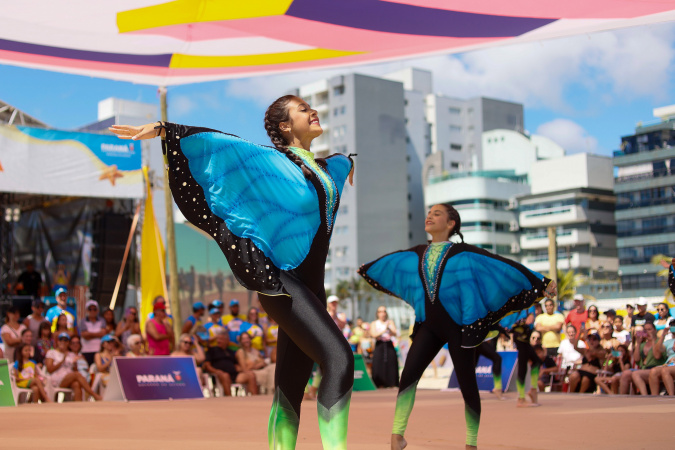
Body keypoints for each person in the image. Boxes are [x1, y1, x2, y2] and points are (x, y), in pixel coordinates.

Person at [111, 94, 356, 450]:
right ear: (285, 126)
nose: (313, 111)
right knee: (339, 360)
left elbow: (339, 163)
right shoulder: (271, 162)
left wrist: (349, 163)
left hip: (312, 291)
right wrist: (166, 131)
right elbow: (222, 143)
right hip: (282, 284)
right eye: (304, 109)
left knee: (289, 390)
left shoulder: (324, 168)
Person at [358, 203, 555, 450]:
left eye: (437, 213)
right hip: (428, 327)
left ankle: (471, 443)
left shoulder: (465, 253)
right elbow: (394, 261)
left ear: (451, 224)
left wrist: (540, 283)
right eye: (428, 212)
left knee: (467, 383)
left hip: (459, 328)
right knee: (408, 375)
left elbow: (500, 265)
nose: (429, 216)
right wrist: (369, 268)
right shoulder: (417, 252)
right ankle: (397, 435)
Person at [502, 306, 541, 407]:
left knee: (536, 361)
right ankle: (521, 398)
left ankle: (532, 390)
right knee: (523, 366)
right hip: (521, 336)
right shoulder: (528, 300)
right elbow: (529, 320)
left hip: (524, 336)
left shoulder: (528, 301)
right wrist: (530, 316)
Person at [45, 332, 102, 401]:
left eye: (65, 340)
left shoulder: (71, 354)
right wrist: (62, 361)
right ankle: (93, 395)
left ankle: (78, 408)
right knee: (76, 375)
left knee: (76, 384)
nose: (63, 342)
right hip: (56, 379)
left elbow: (75, 370)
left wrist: (75, 364)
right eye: (61, 340)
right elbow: (49, 369)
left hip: (69, 378)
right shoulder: (52, 353)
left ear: (68, 343)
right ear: (58, 341)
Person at [204, 330, 251, 397]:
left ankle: (254, 398)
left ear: (227, 340)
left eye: (221, 339)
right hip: (220, 375)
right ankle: (230, 399)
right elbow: (207, 365)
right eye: (218, 339)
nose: (218, 341)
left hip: (234, 375)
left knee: (251, 375)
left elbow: (236, 365)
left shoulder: (230, 351)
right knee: (225, 375)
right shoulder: (212, 350)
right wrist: (216, 371)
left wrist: (243, 369)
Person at [631, 322, 666, 395]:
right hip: (644, 369)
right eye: (645, 330)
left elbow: (657, 356)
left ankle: (644, 395)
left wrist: (653, 340)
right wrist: (638, 343)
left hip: (655, 368)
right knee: (625, 374)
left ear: (655, 330)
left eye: (649, 329)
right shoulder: (643, 344)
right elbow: (636, 359)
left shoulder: (659, 342)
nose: (647, 331)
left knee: (635, 374)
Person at [370, 306, 399, 388]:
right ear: (377, 313)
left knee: (391, 363)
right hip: (380, 345)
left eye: (384, 311)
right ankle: (379, 384)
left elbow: (395, 333)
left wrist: (389, 328)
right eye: (380, 311)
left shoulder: (390, 322)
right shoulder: (374, 323)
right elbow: (373, 334)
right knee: (378, 363)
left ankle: (392, 383)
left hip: (389, 344)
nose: (382, 313)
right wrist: (383, 330)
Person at [648, 318, 675, 395]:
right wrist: (663, 335)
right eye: (672, 326)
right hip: (669, 364)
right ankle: (655, 398)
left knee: (665, 370)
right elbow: (658, 350)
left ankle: (671, 396)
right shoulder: (669, 341)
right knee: (653, 371)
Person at [79, 300, 107, 366]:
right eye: (90, 309)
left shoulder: (102, 320)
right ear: (87, 310)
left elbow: (103, 334)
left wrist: (89, 334)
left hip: (99, 350)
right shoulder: (83, 321)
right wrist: (98, 334)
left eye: (94, 309)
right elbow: (84, 335)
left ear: (97, 310)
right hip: (86, 351)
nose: (92, 311)